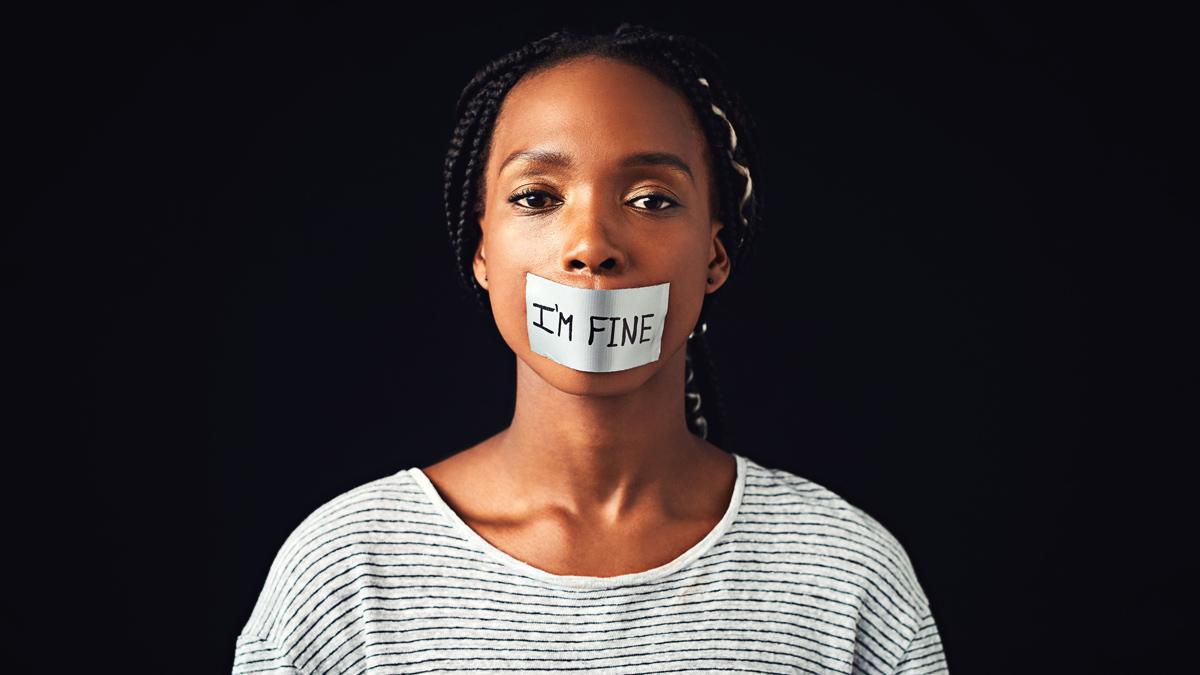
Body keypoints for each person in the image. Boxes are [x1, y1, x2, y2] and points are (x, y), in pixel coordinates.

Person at [233, 23, 948, 674]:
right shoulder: (346, 574)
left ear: (714, 256)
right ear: (481, 248)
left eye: (651, 199)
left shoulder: (845, 574)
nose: (592, 248)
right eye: (538, 197)